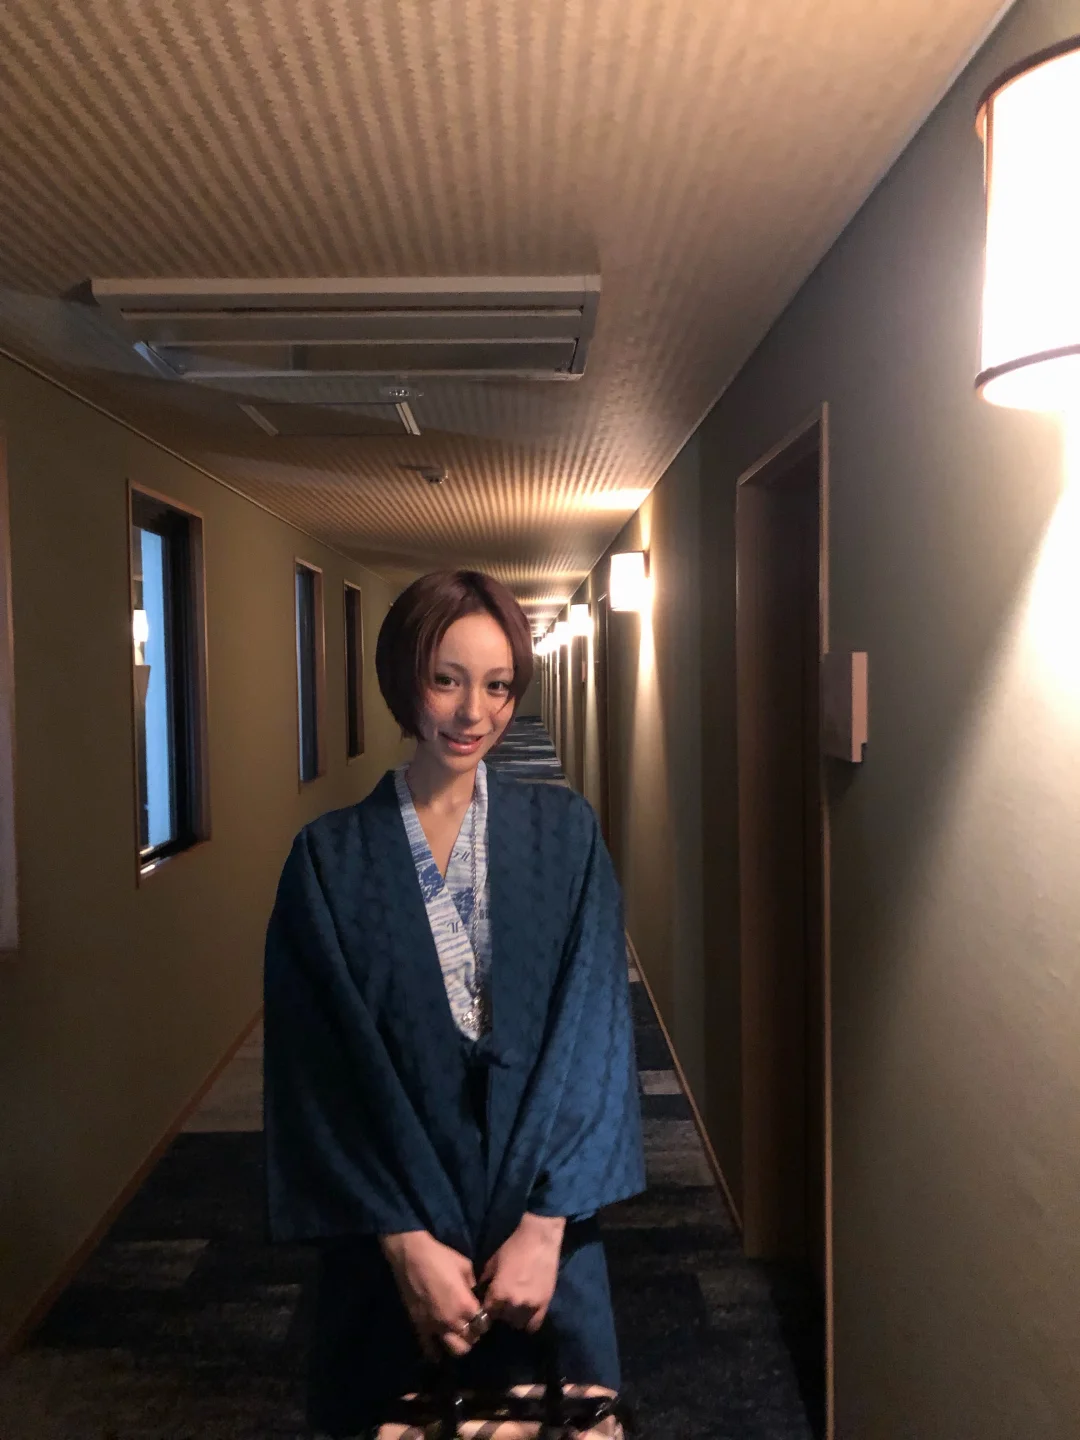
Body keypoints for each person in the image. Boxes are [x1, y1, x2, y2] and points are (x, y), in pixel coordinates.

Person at [264, 570, 645, 1438]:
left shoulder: (565, 835)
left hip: (543, 1243)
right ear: (404, 679)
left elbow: (595, 1031)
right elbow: (314, 1075)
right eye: (447, 679)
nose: (475, 712)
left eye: (499, 685)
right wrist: (402, 1240)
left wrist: (546, 1226)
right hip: (395, 1245)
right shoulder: (329, 859)